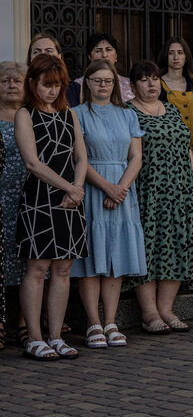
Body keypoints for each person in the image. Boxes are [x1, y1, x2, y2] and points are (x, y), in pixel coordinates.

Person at [124, 60, 193, 334]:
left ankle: (166, 309)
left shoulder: (170, 108)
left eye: (155, 79)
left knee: (176, 244)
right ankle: (149, 313)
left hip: (179, 190)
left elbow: (186, 148)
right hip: (148, 190)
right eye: (144, 80)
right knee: (148, 248)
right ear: (133, 86)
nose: (151, 84)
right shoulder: (128, 112)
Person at [70, 59, 146, 347]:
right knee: (91, 258)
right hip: (92, 189)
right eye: (97, 80)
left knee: (115, 258)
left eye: (109, 80)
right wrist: (106, 188)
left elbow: (136, 157)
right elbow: (80, 158)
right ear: (86, 83)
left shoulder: (127, 114)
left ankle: (111, 321)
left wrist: (121, 189)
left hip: (123, 191)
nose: (103, 85)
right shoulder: (76, 114)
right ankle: (93, 324)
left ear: (116, 84)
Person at [16, 54, 87, 360]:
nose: (53, 91)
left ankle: (56, 336)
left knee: (63, 268)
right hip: (39, 200)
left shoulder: (69, 114)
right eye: (47, 85)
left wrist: (77, 189)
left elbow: (81, 156)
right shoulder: (25, 114)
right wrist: (69, 187)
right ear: (33, 83)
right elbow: (32, 162)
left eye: (57, 85)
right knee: (37, 268)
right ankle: (34, 338)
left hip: (70, 199)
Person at [0, 62, 28, 348]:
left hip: (29, 198)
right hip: (1, 199)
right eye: (5, 80)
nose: (11, 85)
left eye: (17, 80)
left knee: (27, 261)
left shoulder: (31, 115)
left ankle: (25, 323)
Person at [158, 37, 193, 188]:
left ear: (186, 57)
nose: (176, 57)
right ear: (165, 56)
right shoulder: (157, 85)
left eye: (180, 53)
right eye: (171, 53)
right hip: (167, 154)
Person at [66, 33, 135, 107]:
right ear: (90, 57)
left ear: (116, 55)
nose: (104, 55)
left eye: (108, 50)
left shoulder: (129, 84)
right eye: (98, 51)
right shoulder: (78, 85)